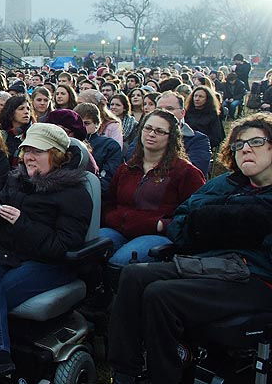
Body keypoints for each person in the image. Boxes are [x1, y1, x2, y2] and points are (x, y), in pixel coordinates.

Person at [108, 112, 272, 384]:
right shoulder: (227, 183)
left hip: (255, 277)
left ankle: (164, 377)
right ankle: (127, 370)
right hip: (211, 263)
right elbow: (182, 221)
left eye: (255, 142)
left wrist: (212, 222)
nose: (244, 149)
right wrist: (225, 224)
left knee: (161, 294)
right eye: (238, 144)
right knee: (134, 275)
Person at [0, 123, 92, 377]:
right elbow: (0, 228)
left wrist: (22, 223)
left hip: (51, 264)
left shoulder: (74, 193)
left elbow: (63, 247)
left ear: (57, 155)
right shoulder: (17, 180)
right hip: (13, 254)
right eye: (26, 149)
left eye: (37, 151)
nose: (28, 156)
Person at [101, 109, 205, 267]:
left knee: (121, 261)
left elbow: (196, 214)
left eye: (159, 131)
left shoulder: (185, 172)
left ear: (171, 137)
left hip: (157, 235)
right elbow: (109, 202)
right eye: (147, 128)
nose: (151, 134)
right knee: (88, 249)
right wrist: (113, 217)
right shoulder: (126, 168)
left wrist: (161, 224)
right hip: (118, 229)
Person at [74, 102, 122, 198]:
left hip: (96, 195)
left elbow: (108, 180)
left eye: (86, 123)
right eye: (78, 123)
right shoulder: (70, 143)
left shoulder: (110, 145)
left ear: (97, 124)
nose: (82, 127)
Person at [0, 95, 34, 166]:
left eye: (28, 109)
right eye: (21, 109)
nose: (26, 112)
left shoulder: (33, 133)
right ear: (11, 112)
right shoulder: (2, 135)